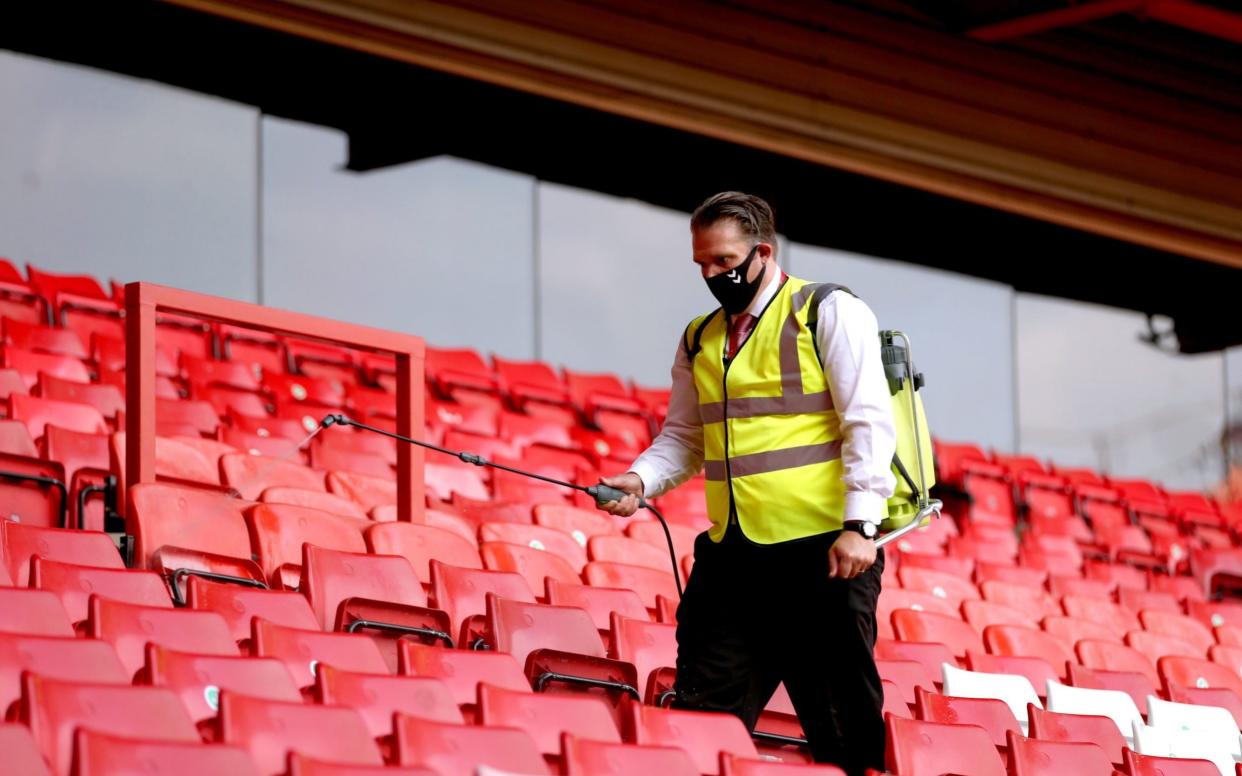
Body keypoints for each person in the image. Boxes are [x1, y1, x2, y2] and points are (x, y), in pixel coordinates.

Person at [596, 191, 896, 775]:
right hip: (734, 563)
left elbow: (869, 420)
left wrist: (862, 525)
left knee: (843, 734)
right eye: (702, 264)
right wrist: (640, 480)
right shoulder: (698, 338)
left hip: (826, 555)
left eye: (724, 262)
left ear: (763, 251)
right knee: (702, 722)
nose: (711, 275)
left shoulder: (827, 310)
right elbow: (685, 438)